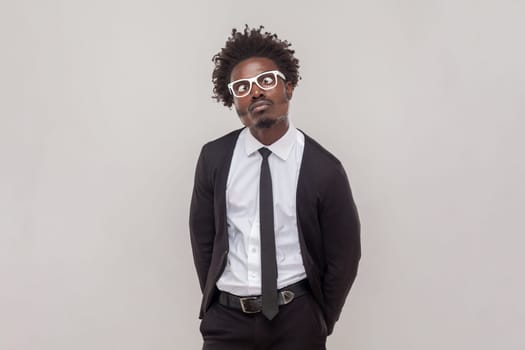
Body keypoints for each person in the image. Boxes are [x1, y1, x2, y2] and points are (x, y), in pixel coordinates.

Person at [189, 25, 361, 350]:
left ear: (289, 87)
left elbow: (344, 256)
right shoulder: (214, 158)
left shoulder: (324, 169)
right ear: (232, 100)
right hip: (226, 321)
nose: (255, 92)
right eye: (242, 87)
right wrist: (215, 305)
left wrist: (320, 318)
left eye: (266, 81)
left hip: (296, 322)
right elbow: (203, 240)